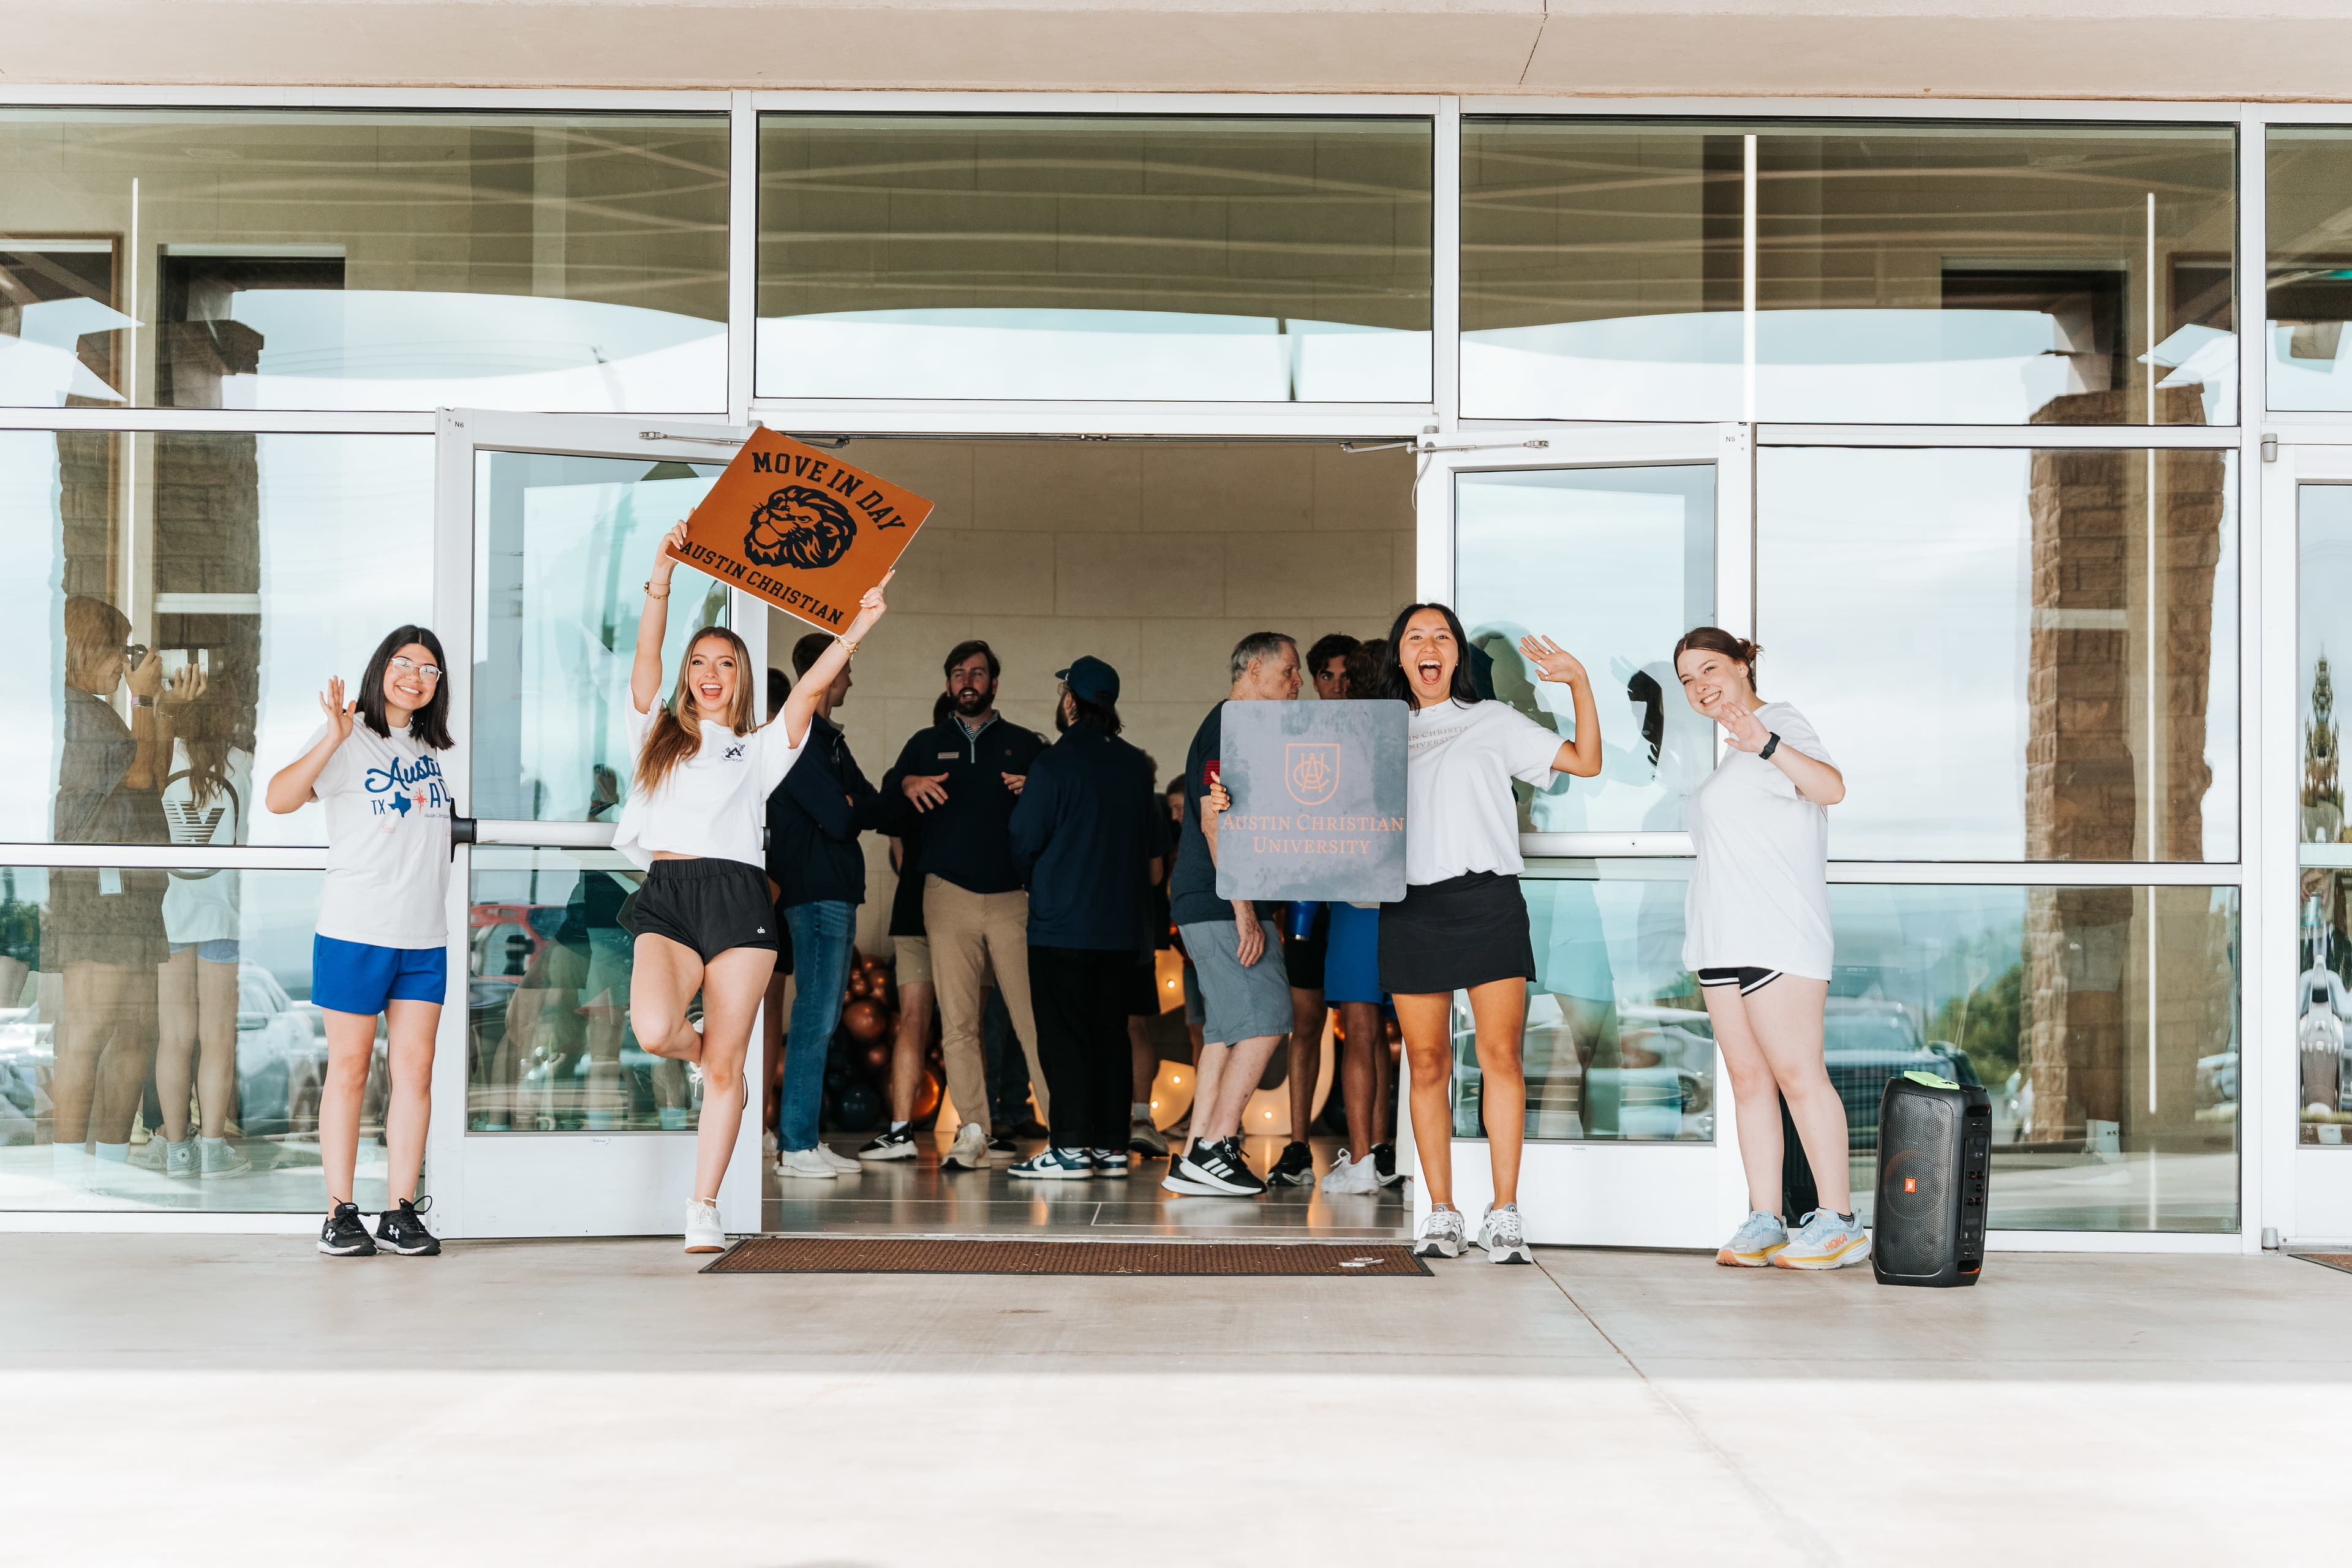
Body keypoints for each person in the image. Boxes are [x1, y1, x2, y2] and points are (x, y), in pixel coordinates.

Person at [612, 523, 889, 1252]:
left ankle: (703, 1205)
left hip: (739, 899)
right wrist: (662, 573)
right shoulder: (656, 734)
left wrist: (854, 627)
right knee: (656, 1030)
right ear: (686, 675)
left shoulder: (759, 745)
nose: (711, 673)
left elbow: (810, 687)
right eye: (700, 663)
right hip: (669, 894)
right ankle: (714, 1060)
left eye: (726, 664)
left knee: (731, 1065)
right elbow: (646, 651)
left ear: (740, 679)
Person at [1378, 603, 1600, 1263]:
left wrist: (1578, 682)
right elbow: (1310, 804)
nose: (1429, 645)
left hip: (1487, 901)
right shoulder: (1377, 736)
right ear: (1400, 657)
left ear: (1457, 657)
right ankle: (1441, 1214)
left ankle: (1503, 1213)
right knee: (1426, 1064)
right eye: (1415, 636)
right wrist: (1234, 803)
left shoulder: (1492, 721)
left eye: (1441, 636)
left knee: (1500, 1056)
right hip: (1410, 907)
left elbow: (1585, 762)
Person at [1672, 627, 1863, 1270]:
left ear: (1741, 665)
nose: (1701, 687)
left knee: (1798, 1077)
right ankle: (1766, 1218)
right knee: (1750, 1083)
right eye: (1688, 681)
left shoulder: (1778, 722)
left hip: (1778, 934)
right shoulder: (1728, 756)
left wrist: (1769, 743)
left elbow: (1831, 788)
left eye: (1709, 670)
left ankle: (1838, 1220)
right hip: (1722, 941)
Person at [265, 625, 455, 1257]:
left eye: (428, 669)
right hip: (354, 932)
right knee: (348, 1070)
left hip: (424, 937)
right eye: (404, 663)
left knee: (416, 1073)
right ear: (382, 669)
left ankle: (400, 1212)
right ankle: (338, 1212)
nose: (415, 676)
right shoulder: (349, 738)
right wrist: (331, 738)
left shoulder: (433, 750)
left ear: (437, 685)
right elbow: (278, 799)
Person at [881, 641, 1047, 1170]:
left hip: (1013, 899)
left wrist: (1037, 792)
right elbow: (885, 801)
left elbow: (1061, 813)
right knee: (958, 1023)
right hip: (946, 895)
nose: (968, 681)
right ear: (949, 684)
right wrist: (905, 782)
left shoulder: (1026, 745)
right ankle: (974, 1129)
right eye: (959, 674)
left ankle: (1067, 1135)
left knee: (1032, 1019)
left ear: (995, 683)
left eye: (978, 673)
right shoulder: (925, 743)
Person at [49, 596, 194, 1191]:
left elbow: (153, 776)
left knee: (136, 1031)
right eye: (116, 650)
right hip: (97, 893)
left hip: (135, 891)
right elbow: (138, 775)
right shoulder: (74, 712)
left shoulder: (106, 712)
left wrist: (160, 707)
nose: (122, 662)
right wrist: (141, 700)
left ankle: (107, 1171)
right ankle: (63, 1177)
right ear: (85, 649)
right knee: (89, 1031)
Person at [1003, 658, 1167, 1178]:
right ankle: (1111, 1148)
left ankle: (1071, 1147)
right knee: (1111, 1035)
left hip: (1061, 925)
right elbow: (1153, 854)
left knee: (1064, 1034)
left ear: (1070, 700)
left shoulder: (1052, 765)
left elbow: (1023, 840)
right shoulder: (1135, 767)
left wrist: (1034, 880)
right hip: (1121, 928)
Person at [1163, 631, 1302, 1198]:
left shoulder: (1242, 728)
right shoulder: (1229, 725)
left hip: (1209, 900)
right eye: (1291, 670)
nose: (1300, 683)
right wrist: (1246, 911)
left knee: (1223, 1032)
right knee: (1269, 1013)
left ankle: (1197, 1151)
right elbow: (1213, 820)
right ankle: (1219, 1148)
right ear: (1254, 669)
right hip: (1222, 902)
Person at [767, 630, 886, 1181]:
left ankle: (803, 1139)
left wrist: (851, 803)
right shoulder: (797, 735)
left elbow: (868, 803)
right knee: (815, 1018)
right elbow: (843, 818)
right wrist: (849, 805)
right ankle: (795, 1146)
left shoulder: (828, 738)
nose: (852, 677)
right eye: (845, 667)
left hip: (834, 890)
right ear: (826, 671)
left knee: (823, 1018)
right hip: (815, 894)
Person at [156, 670, 255, 1179]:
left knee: (174, 1039)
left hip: (171, 918)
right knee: (218, 1038)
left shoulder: (162, 760)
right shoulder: (241, 765)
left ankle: (177, 1153)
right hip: (223, 916)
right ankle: (214, 1152)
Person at [858, 694, 951, 1162]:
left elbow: (894, 843)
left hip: (914, 903)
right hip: (963, 911)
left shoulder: (910, 780)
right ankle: (983, 1127)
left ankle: (899, 1130)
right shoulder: (973, 773)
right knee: (967, 1024)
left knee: (915, 1020)